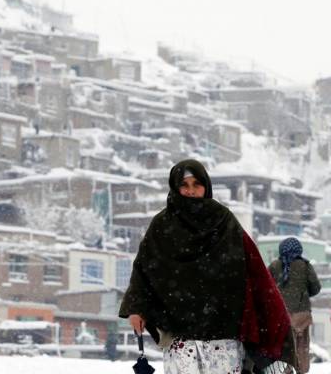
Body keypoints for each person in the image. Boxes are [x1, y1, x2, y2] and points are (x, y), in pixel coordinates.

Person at [119, 159, 298, 374]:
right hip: (180, 335)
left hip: (224, 334)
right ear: (175, 187)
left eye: (197, 184)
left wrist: (272, 318)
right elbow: (143, 270)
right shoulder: (162, 225)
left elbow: (255, 271)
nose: (191, 191)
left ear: (206, 185)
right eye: (185, 185)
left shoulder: (224, 221)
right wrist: (136, 308)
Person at [268, 237, 321, 374]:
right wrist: (303, 292)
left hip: (280, 314)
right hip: (301, 313)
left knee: (283, 345)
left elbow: (266, 287)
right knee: (302, 345)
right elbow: (315, 287)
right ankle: (301, 370)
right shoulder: (305, 265)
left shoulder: (274, 265)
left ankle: (285, 369)